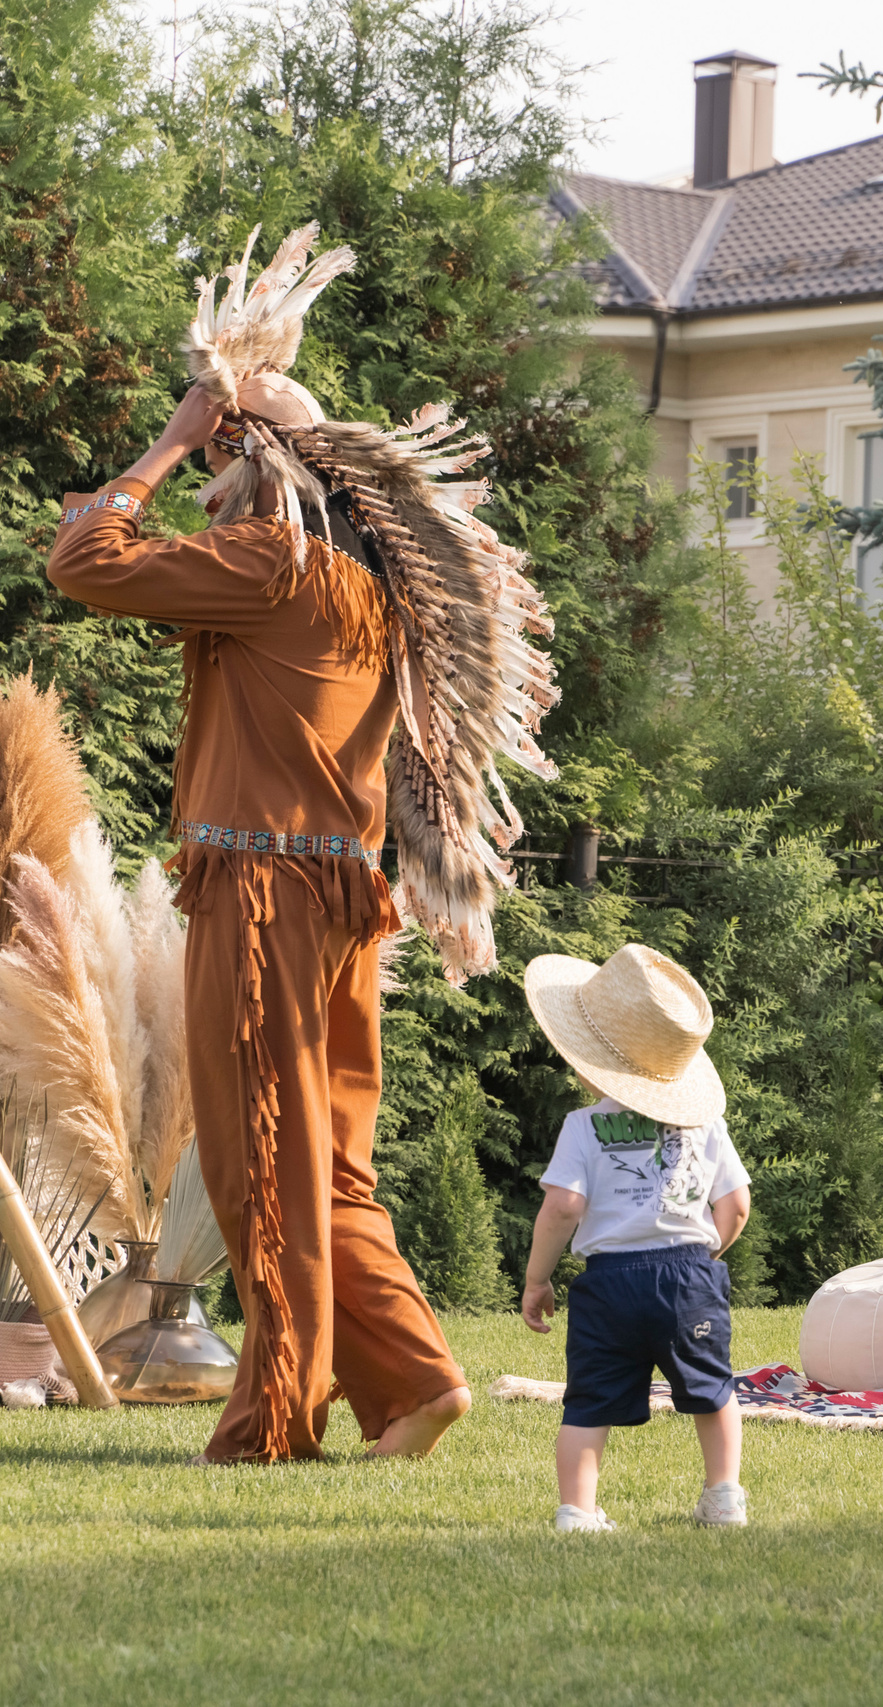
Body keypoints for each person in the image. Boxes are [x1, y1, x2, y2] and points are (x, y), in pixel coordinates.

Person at [41, 223, 555, 1462]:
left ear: (258, 462)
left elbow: (82, 559)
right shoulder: (361, 588)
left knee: (257, 1147)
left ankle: (278, 1417)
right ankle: (418, 1379)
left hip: (263, 893)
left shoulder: (275, 562)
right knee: (325, 1159)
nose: (205, 473)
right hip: (334, 899)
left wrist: (160, 446)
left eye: (222, 450)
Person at [520, 943, 753, 1532]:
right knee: (713, 1390)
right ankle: (723, 1498)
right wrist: (704, 1255)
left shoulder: (582, 1126)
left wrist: (538, 1278)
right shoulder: (705, 1124)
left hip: (609, 1286)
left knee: (589, 1400)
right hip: (689, 1276)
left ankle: (577, 1510)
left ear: (590, 1062)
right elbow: (738, 1205)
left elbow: (564, 1205)